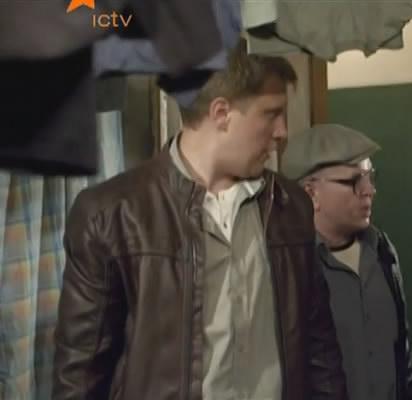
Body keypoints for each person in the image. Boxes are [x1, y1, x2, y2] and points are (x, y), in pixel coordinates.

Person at [52, 44, 347, 400]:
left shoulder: (290, 207)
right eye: (271, 114)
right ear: (221, 113)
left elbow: (319, 349)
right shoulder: (111, 215)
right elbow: (80, 375)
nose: (282, 131)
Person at [281, 124, 412, 400]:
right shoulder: (290, 268)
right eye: (355, 181)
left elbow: (402, 355)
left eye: (370, 177)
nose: (369, 190)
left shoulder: (382, 252)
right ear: (311, 193)